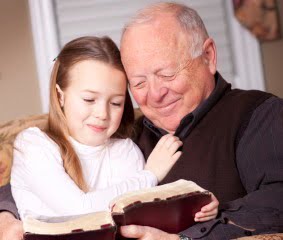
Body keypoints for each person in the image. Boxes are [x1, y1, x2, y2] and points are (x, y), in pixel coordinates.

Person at [0, 1, 282, 239]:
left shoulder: (256, 114)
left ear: (208, 57)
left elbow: (278, 196)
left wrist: (188, 235)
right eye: (139, 83)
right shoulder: (125, 134)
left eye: (167, 74)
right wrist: (6, 214)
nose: (156, 94)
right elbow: (40, 179)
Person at [0, 34, 219, 239]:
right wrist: (148, 175)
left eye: (115, 103)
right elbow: (79, 210)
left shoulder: (125, 151)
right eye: (89, 99)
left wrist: (199, 206)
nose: (102, 114)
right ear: (60, 96)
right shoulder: (33, 144)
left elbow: (134, 217)